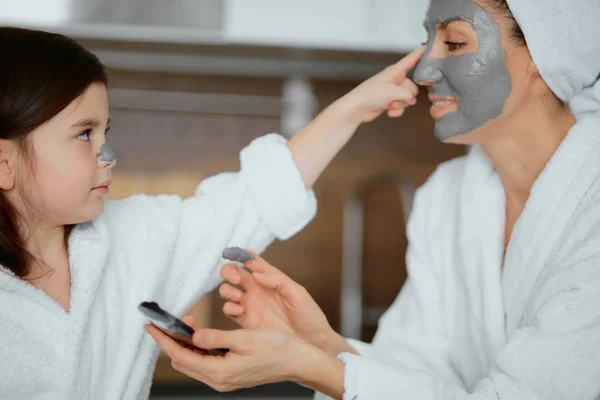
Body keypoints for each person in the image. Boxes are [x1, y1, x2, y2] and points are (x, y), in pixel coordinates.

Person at [147, 0, 600, 399]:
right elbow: (420, 371)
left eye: (456, 43)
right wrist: (321, 347)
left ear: (542, 55)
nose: (424, 70)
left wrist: (308, 366)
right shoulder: (449, 198)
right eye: (427, 41)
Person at [0, 27, 422, 399]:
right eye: (84, 134)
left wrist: (353, 108)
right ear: (4, 163)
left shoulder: (135, 238)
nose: (108, 155)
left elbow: (254, 198)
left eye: (105, 132)